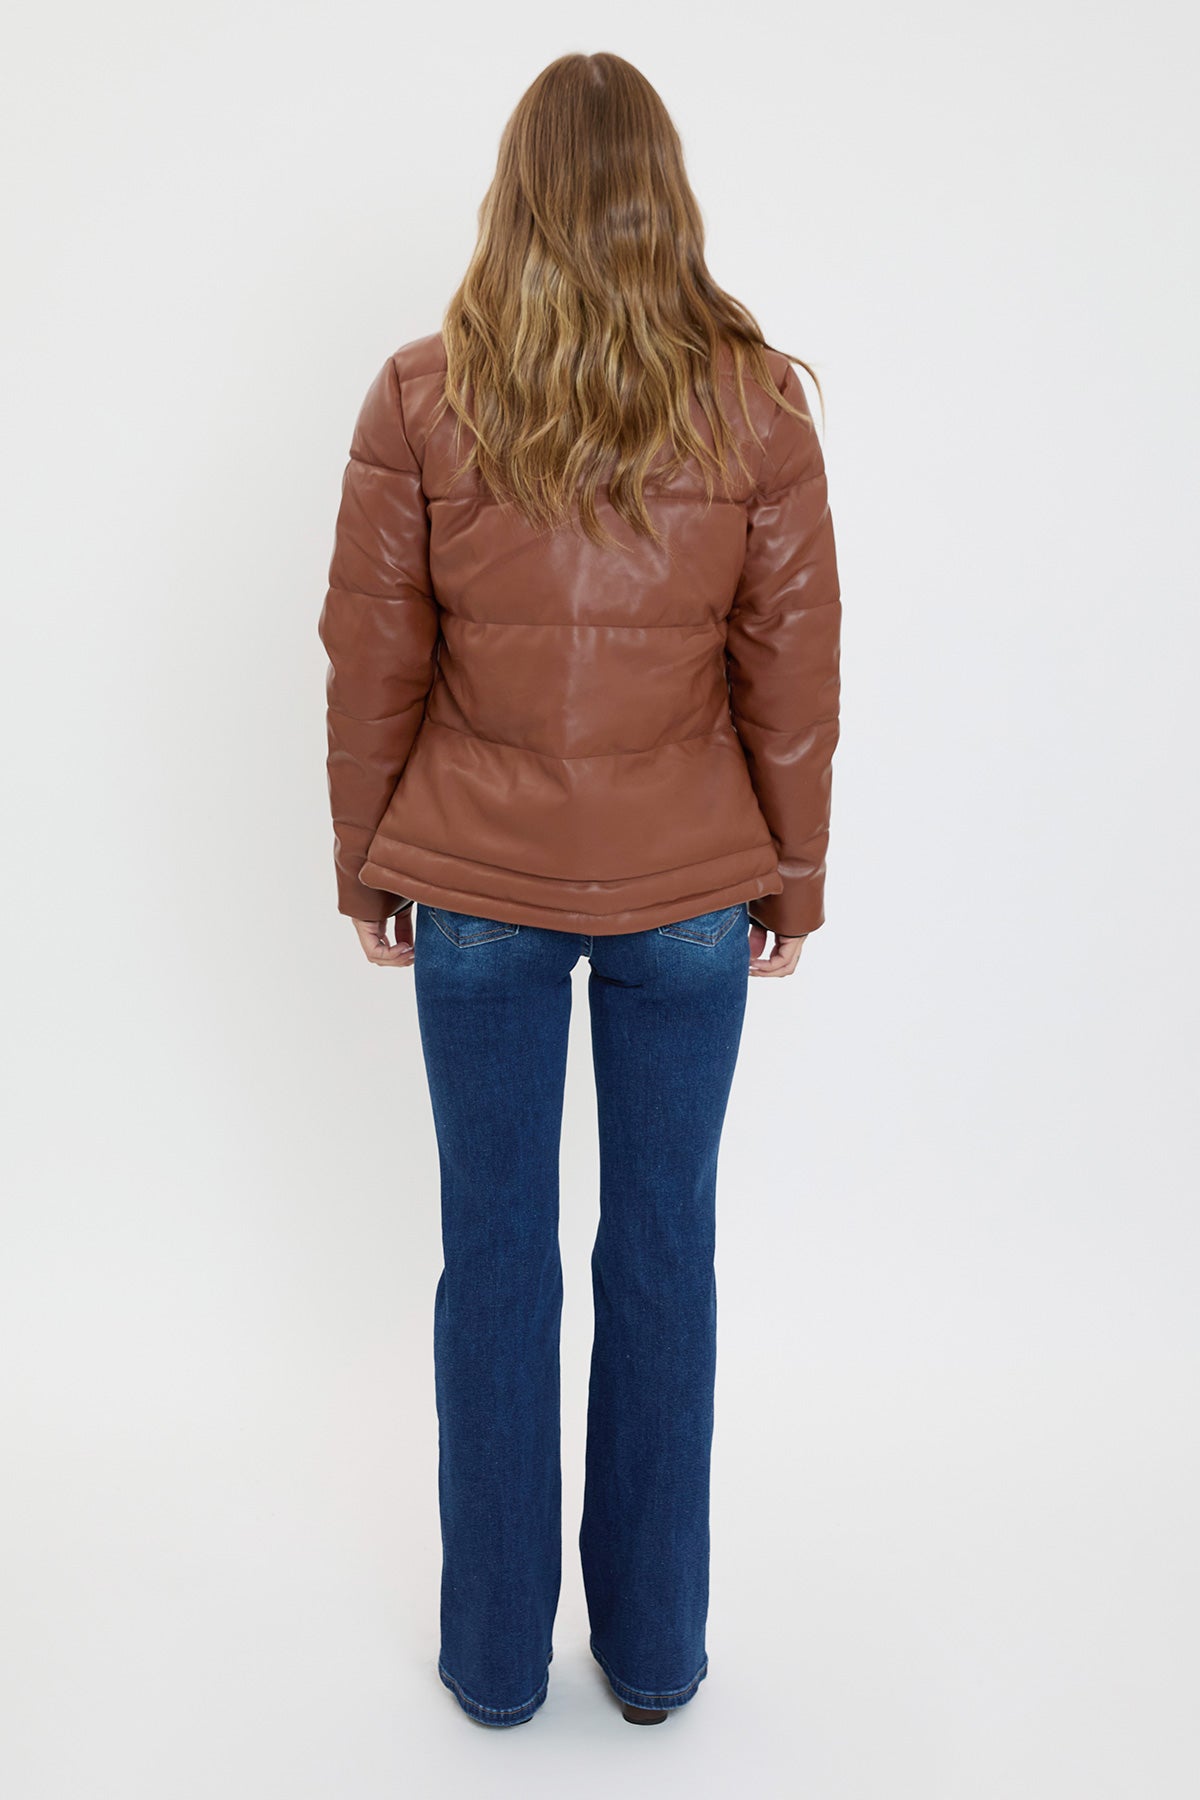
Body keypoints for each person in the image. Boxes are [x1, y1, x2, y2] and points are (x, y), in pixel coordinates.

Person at [317, 51, 841, 1730]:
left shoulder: (423, 395)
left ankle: (492, 1665)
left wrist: (368, 858)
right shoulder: (756, 404)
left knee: (496, 1259)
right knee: (664, 1253)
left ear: (515, 195)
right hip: (689, 893)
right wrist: (790, 876)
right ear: (663, 200)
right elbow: (794, 671)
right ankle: (657, 1657)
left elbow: (369, 660)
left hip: (475, 892)